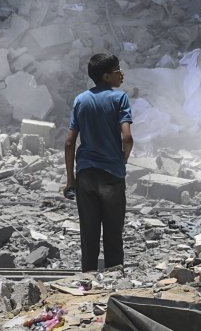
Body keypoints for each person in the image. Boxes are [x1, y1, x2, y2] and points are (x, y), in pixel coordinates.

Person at [64, 53, 133, 272]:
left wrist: (70, 180)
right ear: (106, 76)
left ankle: (87, 284)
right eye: (117, 70)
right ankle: (113, 286)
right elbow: (127, 138)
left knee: (89, 235)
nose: (121, 74)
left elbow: (69, 142)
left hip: (86, 175)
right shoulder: (119, 98)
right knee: (113, 235)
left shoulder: (80, 100)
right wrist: (123, 158)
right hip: (111, 175)